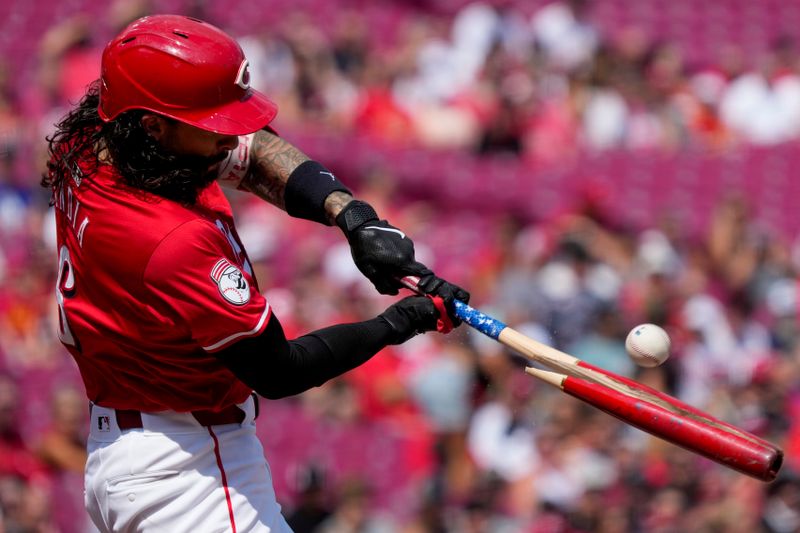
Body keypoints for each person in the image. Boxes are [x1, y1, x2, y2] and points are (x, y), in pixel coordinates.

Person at [41, 14, 469, 533]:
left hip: (131, 454)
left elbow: (253, 150)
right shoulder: (170, 240)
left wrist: (352, 217)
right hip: (188, 471)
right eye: (211, 124)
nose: (231, 134)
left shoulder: (93, 146)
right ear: (153, 126)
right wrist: (404, 320)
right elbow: (281, 371)